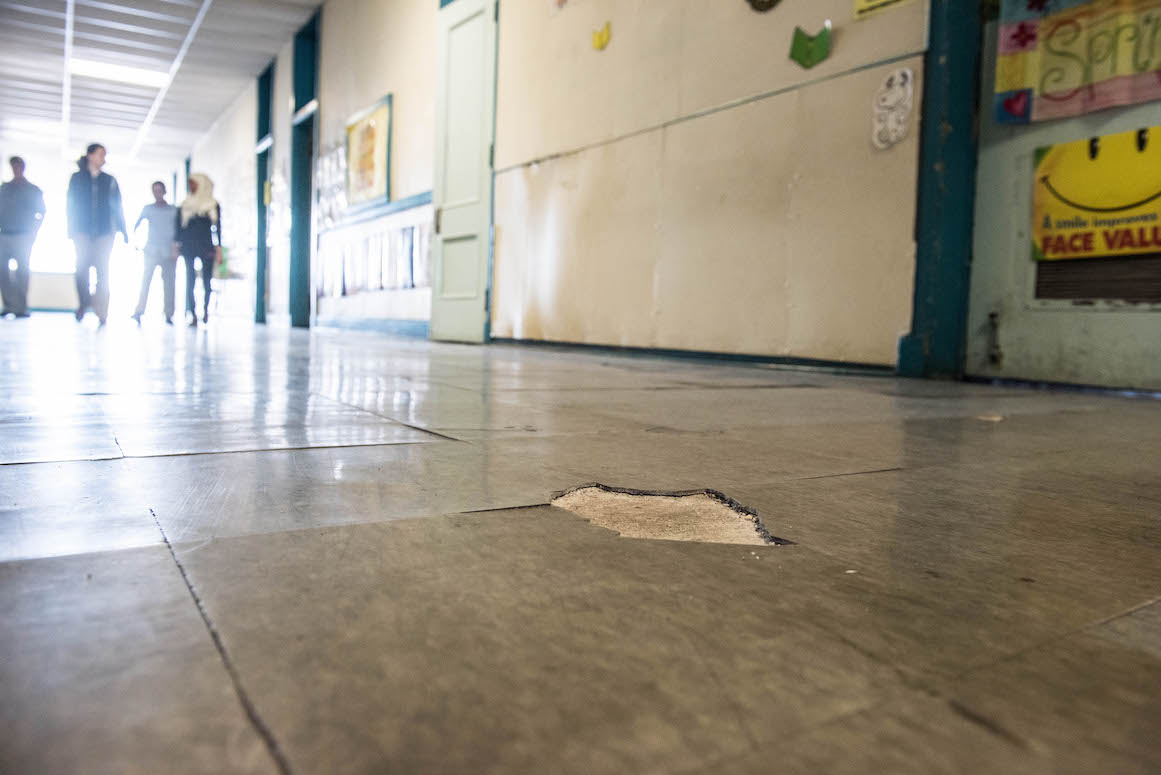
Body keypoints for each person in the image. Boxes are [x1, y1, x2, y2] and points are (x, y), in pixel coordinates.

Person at [67, 143, 127, 325]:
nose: (103, 159)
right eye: (101, 154)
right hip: (82, 230)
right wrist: (71, 229)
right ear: (90, 156)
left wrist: (123, 231)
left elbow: (117, 206)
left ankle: (102, 311)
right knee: (81, 270)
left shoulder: (109, 180)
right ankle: (84, 304)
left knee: (103, 272)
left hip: (104, 232)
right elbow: (71, 205)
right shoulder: (77, 178)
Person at [0, 156, 46, 318]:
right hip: (4, 234)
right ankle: (9, 305)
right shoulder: (4, 188)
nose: (16, 169)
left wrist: (32, 232)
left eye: (18, 166)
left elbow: (41, 213)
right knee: (3, 272)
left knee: (22, 271)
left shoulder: (32, 190)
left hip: (23, 236)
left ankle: (21, 307)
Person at [175, 173, 221, 327]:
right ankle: (193, 313)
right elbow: (179, 228)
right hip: (188, 247)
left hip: (206, 246)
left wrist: (218, 248)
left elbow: (218, 228)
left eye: (194, 183)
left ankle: (206, 311)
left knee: (207, 281)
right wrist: (177, 246)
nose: (191, 187)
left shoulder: (212, 204)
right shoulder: (185, 204)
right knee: (190, 280)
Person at [131, 181, 178, 324]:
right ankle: (139, 311)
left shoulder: (173, 210)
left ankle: (169, 314)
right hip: (151, 251)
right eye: (154, 191)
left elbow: (179, 231)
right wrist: (137, 244)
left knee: (169, 284)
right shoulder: (148, 209)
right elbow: (136, 226)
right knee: (145, 282)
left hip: (168, 252)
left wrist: (177, 248)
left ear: (165, 191)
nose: (157, 194)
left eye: (159, 190)